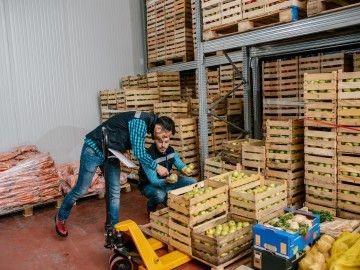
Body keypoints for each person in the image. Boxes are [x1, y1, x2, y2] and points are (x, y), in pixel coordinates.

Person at [55, 111, 174, 237]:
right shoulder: (141, 122)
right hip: (93, 149)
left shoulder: (147, 124)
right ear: (159, 127)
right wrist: (157, 167)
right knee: (82, 188)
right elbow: (139, 152)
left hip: (111, 152)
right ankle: (61, 217)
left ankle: (112, 227)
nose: (163, 139)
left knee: (114, 190)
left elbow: (124, 135)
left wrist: (124, 148)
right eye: (164, 135)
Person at [138, 127, 197, 214]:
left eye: (166, 142)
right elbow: (154, 181)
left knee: (192, 181)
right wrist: (166, 181)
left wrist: (184, 169)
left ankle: (170, 200)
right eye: (160, 142)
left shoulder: (170, 151)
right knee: (160, 195)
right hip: (149, 185)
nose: (163, 145)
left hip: (167, 181)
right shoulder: (148, 156)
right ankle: (151, 206)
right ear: (155, 140)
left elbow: (180, 164)